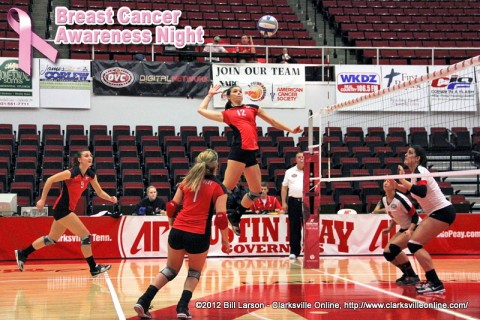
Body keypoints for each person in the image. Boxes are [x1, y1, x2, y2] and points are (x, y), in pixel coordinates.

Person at [133, 149, 231, 319]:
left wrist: (172, 224)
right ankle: (182, 307)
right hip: (198, 235)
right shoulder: (218, 187)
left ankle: (144, 300)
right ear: (216, 165)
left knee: (171, 269)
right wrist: (225, 241)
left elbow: (171, 206)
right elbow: (221, 218)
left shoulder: (187, 181)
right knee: (194, 272)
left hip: (178, 231)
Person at [197, 84, 302, 236]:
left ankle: (236, 215)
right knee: (225, 188)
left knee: (256, 192)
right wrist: (209, 95)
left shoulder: (253, 108)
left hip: (252, 153)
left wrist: (291, 130)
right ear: (228, 96)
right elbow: (201, 110)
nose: (239, 93)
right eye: (235, 91)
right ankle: (205, 212)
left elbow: (272, 121)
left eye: (240, 91)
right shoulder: (227, 113)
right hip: (239, 151)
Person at [14, 149, 117, 277]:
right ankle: (93, 268)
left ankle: (23, 253)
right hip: (63, 209)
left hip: (65, 210)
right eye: (86, 156)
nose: (90, 157)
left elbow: (100, 192)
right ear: (79, 160)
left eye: (90, 155)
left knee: (51, 239)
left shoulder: (90, 174)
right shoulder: (72, 172)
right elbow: (50, 180)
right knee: (85, 235)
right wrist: (42, 199)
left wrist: (110, 198)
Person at [388, 145, 456, 294]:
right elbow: (408, 189)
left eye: (410, 153)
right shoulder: (415, 174)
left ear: (418, 158)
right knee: (414, 244)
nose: (406, 154)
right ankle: (433, 281)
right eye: (406, 152)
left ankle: (435, 283)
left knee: (414, 243)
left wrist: (401, 179)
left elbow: (422, 192)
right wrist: (396, 185)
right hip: (438, 212)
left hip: (442, 211)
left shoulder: (421, 171)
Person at [380, 179, 421, 286]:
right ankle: (406, 274)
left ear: (394, 186)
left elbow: (415, 216)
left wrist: (410, 230)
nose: (385, 183)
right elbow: (395, 216)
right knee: (387, 253)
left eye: (389, 181)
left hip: (415, 226)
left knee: (394, 248)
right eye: (384, 181)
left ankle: (412, 276)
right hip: (404, 228)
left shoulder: (401, 199)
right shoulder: (384, 200)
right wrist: (389, 228)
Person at [281, 152, 304, 259]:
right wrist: (284, 202)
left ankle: (310, 250)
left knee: (309, 227)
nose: (301, 159)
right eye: (299, 157)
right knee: (294, 227)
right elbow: (284, 188)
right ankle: (294, 251)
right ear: (296, 159)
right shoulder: (289, 172)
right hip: (293, 201)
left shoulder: (312, 171)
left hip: (308, 202)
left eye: (303, 157)